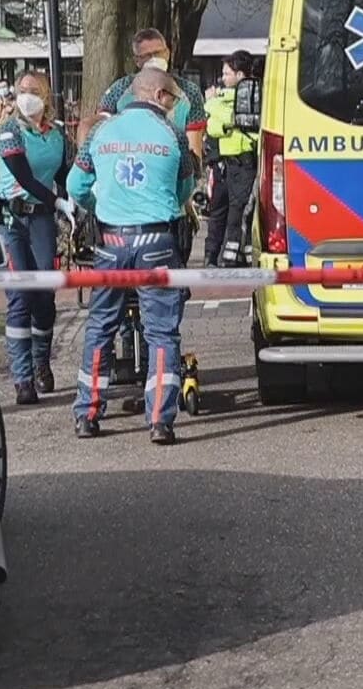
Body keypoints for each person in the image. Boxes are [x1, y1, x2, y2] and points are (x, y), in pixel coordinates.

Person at [65, 67, 196, 444]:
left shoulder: (101, 132)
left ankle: (87, 414)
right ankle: (159, 421)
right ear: (158, 96)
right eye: (172, 98)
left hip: (111, 241)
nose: (174, 105)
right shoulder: (172, 134)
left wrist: (103, 206)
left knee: (100, 325)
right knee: (161, 332)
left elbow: (76, 186)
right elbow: (184, 189)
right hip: (157, 241)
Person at [92, 28, 208, 267]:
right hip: (121, 196)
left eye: (159, 52)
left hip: (168, 196)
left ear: (169, 52)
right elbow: (94, 132)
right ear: (137, 61)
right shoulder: (119, 90)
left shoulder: (188, 93)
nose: (155, 58)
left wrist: (186, 195)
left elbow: (194, 150)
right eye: (147, 55)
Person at [0, 70, 73, 407]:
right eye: (22, 90)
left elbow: (67, 174)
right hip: (12, 221)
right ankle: (22, 378)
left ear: (46, 96)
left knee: (44, 298)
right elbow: (23, 177)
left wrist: (76, 199)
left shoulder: (57, 135)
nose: (26, 96)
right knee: (20, 298)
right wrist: (57, 200)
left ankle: (42, 362)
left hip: (41, 221)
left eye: (33, 91)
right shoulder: (8, 131)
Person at [204, 50, 260, 267]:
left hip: (244, 163)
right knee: (217, 212)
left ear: (240, 75)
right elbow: (213, 127)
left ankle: (235, 258)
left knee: (239, 212)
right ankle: (212, 256)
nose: (223, 78)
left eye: (227, 74)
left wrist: (212, 105)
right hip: (223, 164)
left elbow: (234, 118)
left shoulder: (251, 97)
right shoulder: (220, 99)